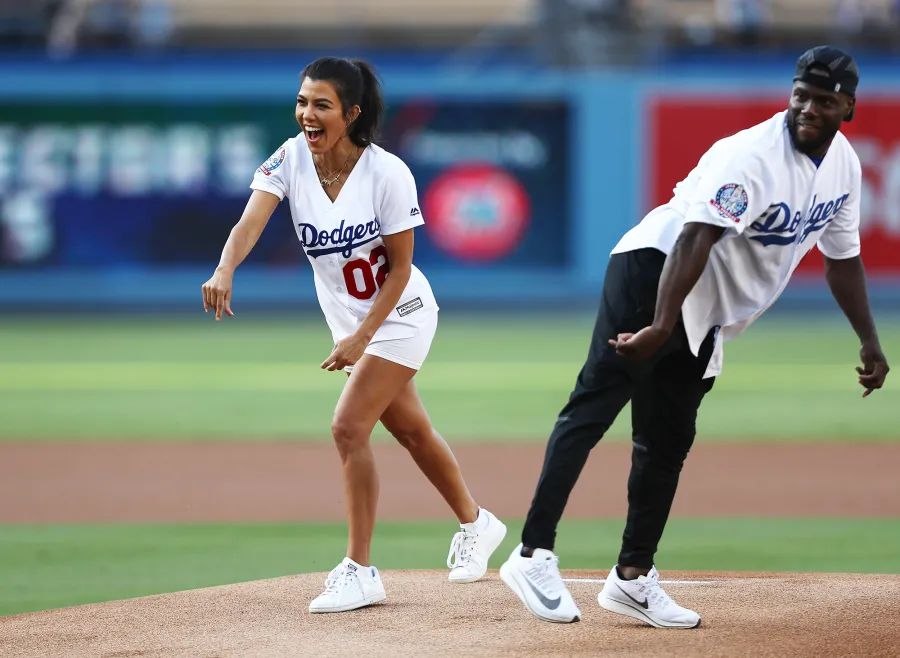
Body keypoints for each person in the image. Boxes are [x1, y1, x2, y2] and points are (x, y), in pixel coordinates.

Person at [499, 45, 890, 627]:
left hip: (705, 307)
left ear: (848, 108)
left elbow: (843, 260)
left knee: (667, 439)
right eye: (801, 94)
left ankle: (632, 578)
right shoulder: (751, 156)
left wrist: (869, 340)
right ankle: (532, 554)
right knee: (595, 405)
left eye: (824, 100)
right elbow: (694, 238)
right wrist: (660, 325)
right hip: (654, 269)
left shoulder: (844, 168)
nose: (808, 107)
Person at [201, 57, 507, 614]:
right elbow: (250, 221)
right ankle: (477, 522)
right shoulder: (291, 158)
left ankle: (360, 570)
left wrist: (364, 337)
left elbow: (399, 269)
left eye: (321, 105)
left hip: (402, 312)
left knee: (347, 427)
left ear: (352, 113)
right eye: (301, 102)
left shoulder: (387, 173)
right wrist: (226, 268)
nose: (306, 114)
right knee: (412, 431)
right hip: (351, 321)